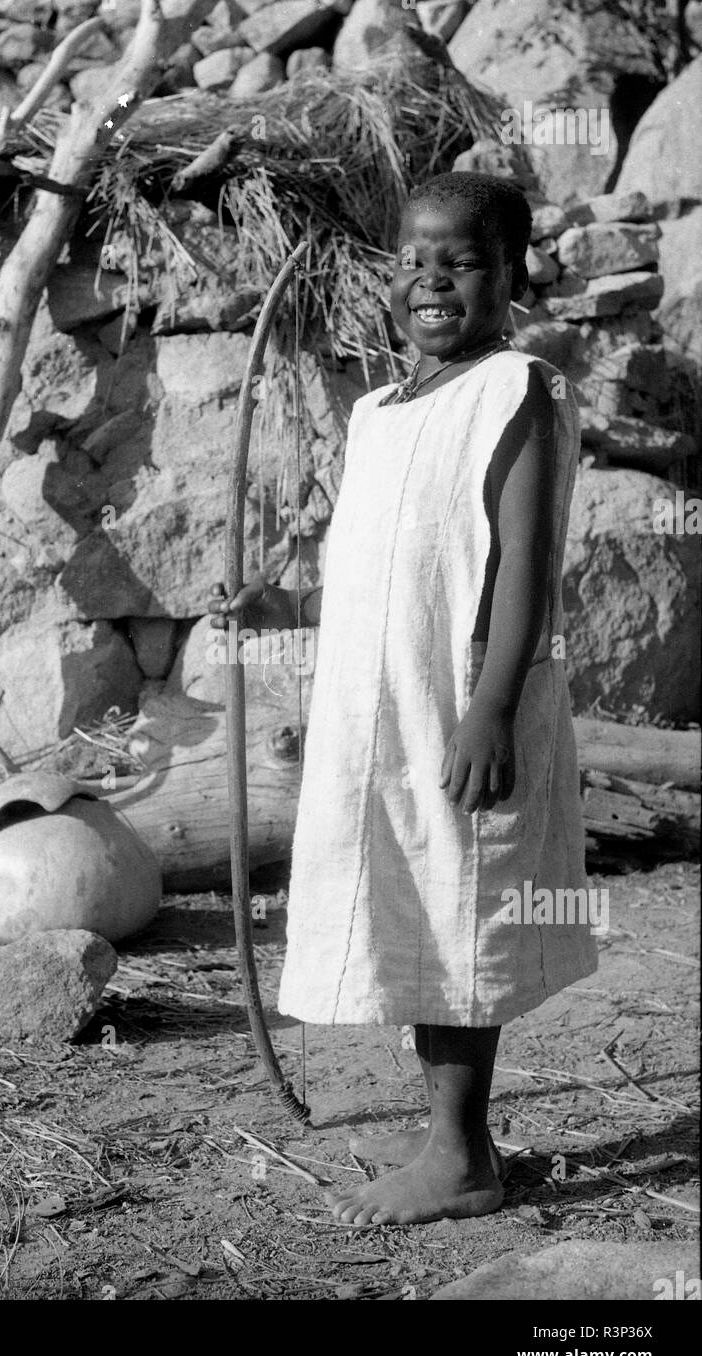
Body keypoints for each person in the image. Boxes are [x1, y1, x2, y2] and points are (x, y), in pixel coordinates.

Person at [208, 172, 597, 1226]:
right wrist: (278, 598)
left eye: (460, 260)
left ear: (509, 273)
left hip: (456, 696)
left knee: (457, 904)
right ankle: (443, 1136)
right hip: (373, 706)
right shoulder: (380, 409)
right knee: (412, 905)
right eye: (412, 258)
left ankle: (463, 1157)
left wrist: (488, 708)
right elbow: (379, 563)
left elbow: (523, 562)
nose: (430, 278)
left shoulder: (515, 386)